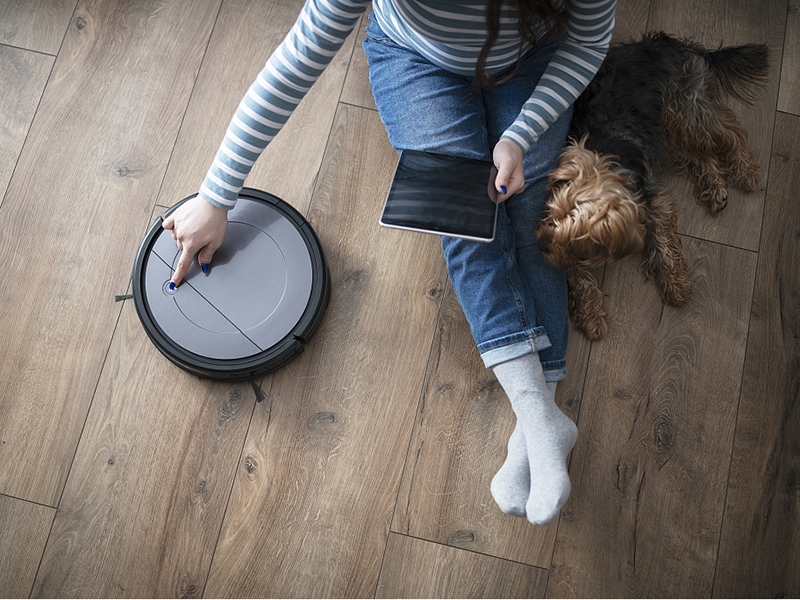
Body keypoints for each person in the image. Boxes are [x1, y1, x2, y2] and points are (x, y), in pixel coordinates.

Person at [163, 0, 616, 525]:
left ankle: (538, 423)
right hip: (415, 59)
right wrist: (217, 194)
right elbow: (302, 51)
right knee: (461, 215)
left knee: (530, 211)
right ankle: (538, 418)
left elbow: (587, 41)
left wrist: (522, 134)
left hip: (534, 57)